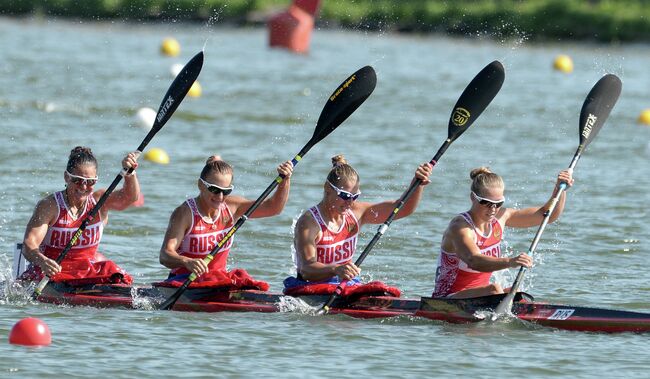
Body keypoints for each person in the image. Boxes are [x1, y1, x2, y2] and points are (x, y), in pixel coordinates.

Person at [286, 154, 432, 293]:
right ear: (327, 188)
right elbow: (306, 270)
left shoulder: (357, 212)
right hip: (313, 287)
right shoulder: (309, 223)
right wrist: (335, 269)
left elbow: (402, 209)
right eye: (345, 196)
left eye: (355, 196)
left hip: (345, 285)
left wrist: (417, 184)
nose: (349, 202)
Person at [432, 166, 574, 299]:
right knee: (494, 289)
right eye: (486, 202)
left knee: (517, 293)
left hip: (481, 296)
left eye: (498, 203)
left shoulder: (500, 218)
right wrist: (510, 262)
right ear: (473, 197)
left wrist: (560, 190)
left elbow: (548, 215)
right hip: (447, 298)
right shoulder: (460, 227)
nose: (493, 209)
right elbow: (473, 260)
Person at [158, 155, 293, 284]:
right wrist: (186, 261)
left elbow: (273, 208)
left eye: (226, 190)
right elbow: (165, 255)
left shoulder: (232, 206)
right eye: (214, 189)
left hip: (218, 281)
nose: (220, 197)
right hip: (184, 281)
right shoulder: (184, 214)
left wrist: (285, 181)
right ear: (200, 185)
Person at [21, 146, 140, 285]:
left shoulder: (99, 200)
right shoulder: (49, 206)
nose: (83, 187)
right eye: (77, 180)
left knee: (115, 271)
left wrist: (130, 174)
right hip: (52, 272)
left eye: (90, 182)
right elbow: (29, 245)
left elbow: (129, 198)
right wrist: (42, 261)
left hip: (85, 272)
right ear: (66, 177)